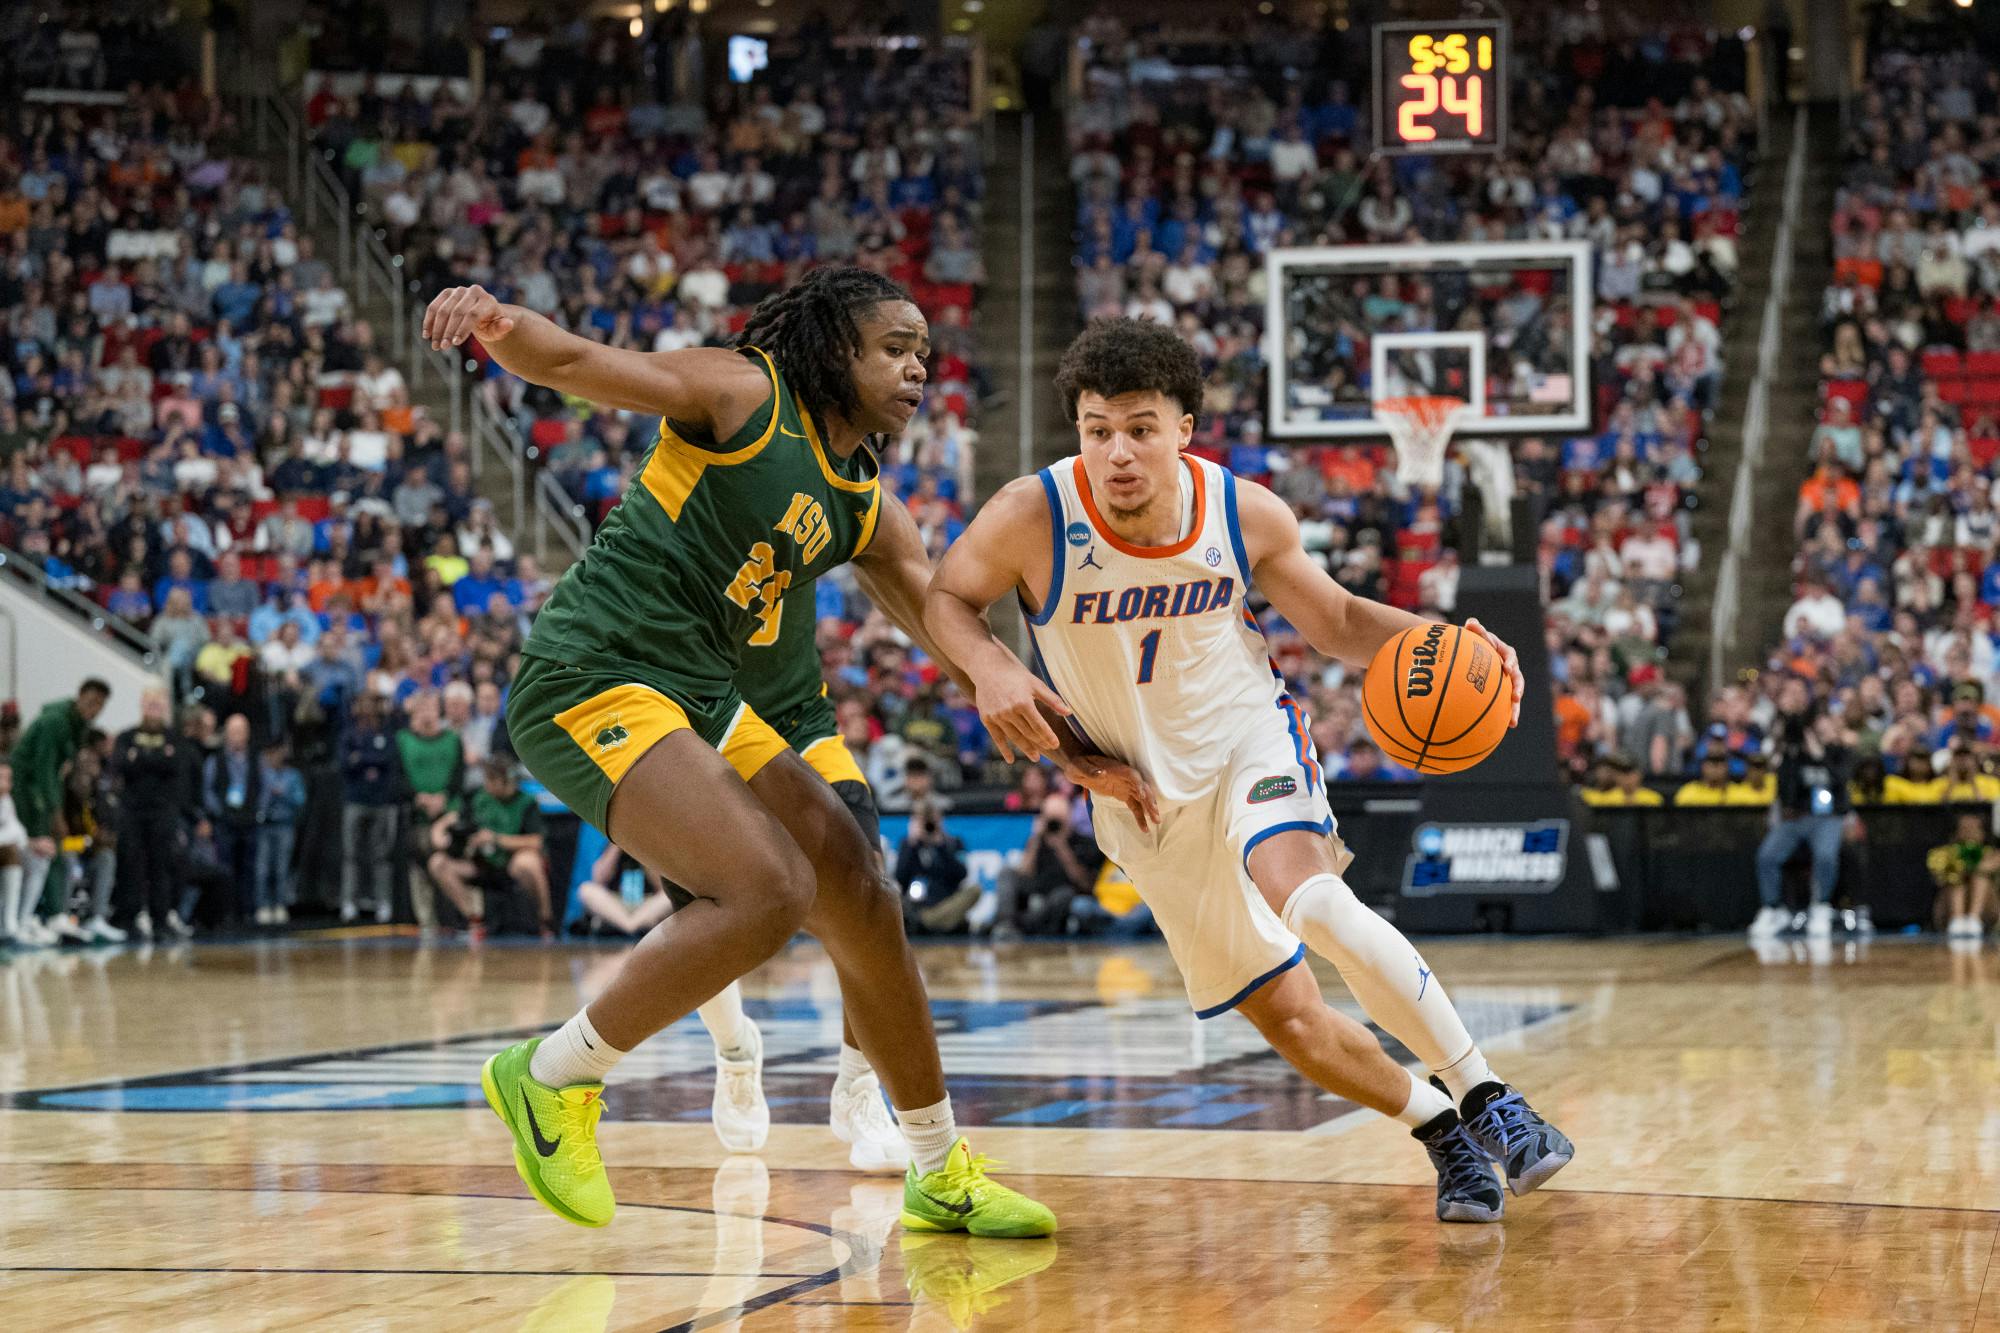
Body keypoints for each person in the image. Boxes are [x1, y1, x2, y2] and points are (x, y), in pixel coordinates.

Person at [423, 269, 1060, 1234]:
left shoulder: (865, 500)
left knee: (860, 881)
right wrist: (497, 324)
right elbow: (578, 362)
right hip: (596, 670)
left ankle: (937, 1164)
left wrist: (1036, 705)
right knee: (768, 891)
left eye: (924, 350)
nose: (917, 365)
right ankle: (551, 1077)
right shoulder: (746, 392)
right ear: (833, 349)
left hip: (707, 693)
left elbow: (943, 618)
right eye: (894, 346)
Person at [926, 317, 1573, 1224]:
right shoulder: (1031, 515)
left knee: (1311, 900)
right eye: (1097, 428)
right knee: (1294, 1020)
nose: (1117, 452)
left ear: (1185, 428)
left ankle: (1489, 1096)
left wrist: (1444, 640)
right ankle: (1441, 1129)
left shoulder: (1244, 512)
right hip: (1143, 797)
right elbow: (947, 597)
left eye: (1140, 427)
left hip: (1247, 744)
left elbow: (1340, 622)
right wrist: (994, 667)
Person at [574, 840, 773, 1153]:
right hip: (622, 903)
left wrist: (646, 852)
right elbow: (598, 877)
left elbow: (663, 883)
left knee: (691, 897)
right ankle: (736, 1047)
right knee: (588, 890)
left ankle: (858, 1077)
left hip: (652, 899)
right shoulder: (613, 839)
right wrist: (619, 844)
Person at [1747, 683, 1855, 941]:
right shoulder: (1793, 753)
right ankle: (1773, 908)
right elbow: (1784, 786)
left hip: (1827, 818)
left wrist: (1820, 755)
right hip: (1796, 818)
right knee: (1767, 856)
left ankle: (1821, 906)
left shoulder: (1839, 752)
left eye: (1826, 725)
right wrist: (1791, 752)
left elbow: (1840, 782)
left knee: (1826, 856)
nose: (1821, 729)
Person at [10, 679, 111, 944]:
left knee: (50, 852)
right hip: (27, 791)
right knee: (38, 850)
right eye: (91, 701)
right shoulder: (56, 722)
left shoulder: (78, 727)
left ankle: (45, 915)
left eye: (100, 705)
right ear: (79, 696)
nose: (94, 708)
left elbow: (59, 771)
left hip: (42, 790)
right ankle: (32, 918)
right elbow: (43, 770)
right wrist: (55, 812)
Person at [424, 761, 554, 939]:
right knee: (438, 863)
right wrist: (441, 831)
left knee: (528, 862)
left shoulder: (526, 802)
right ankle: (474, 920)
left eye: (490, 780)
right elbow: (456, 818)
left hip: (510, 864)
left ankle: (544, 921)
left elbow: (537, 841)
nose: (486, 784)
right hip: (481, 863)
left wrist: (497, 839)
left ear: (503, 781)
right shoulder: (479, 797)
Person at [112, 685, 199, 940]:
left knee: (162, 865)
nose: (154, 709)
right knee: (132, 865)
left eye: (158, 705)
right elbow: (121, 765)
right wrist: (157, 759)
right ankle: (131, 917)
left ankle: (160, 918)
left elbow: (174, 765)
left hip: (162, 812)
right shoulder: (126, 736)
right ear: (142, 705)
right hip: (132, 812)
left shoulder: (175, 738)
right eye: (150, 704)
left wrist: (140, 759)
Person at [990, 793, 1100, 941]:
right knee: (1007, 873)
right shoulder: (1038, 840)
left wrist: (1062, 847)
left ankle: (1023, 925)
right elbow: (1025, 871)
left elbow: (1084, 883)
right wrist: (1035, 838)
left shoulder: (1083, 842)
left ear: (1069, 817)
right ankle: (1006, 924)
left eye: (1058, 818)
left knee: (1064, 895)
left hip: (1064, 890)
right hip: (1039, 885)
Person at [340, 691, 405, 924]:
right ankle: (349, 902)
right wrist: (370, 759)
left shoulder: (385, 732)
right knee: (351, 854)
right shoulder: (349, 732)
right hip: (355, 799)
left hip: (380, 800)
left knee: (381, 855)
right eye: (362, 704)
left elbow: (388, 758)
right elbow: (345, 763)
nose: (367, 709)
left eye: (371, 705)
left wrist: (362, 758)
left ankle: (383, 902)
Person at [202, 714, 262, 925]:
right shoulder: (215, 760)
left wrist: (257, 811)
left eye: (242, 731)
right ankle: (228, 913)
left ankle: (248, 912)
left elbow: (262, 787)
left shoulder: (256, 759)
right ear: (226, 734)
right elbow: (207, 790)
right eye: (234, 731)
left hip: (249, 822)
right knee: (226, 869)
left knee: (249, 868)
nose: (238, 736)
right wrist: (220, 812)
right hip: (225, 823)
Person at [895, 798, 977, 933]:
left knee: (975, 890)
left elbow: (962, 874)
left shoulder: (954, 842)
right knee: (893, 895)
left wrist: (940, 846)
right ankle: (940, 922)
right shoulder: (908, 844)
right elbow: (900, 877)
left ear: (941, 820)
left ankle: (928, 922)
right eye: (923, 821)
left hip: (947, 901)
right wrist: (912, 844)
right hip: (918, 905)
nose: (928, 826)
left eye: (932, 820)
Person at [255, 741, 306, 926]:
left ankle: (280, 905)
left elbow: (300, 799)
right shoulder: (263, 774)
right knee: (263, 868)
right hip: (265, 824)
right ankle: (262, 905)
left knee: (282, 867)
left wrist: (284, 793)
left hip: (285, 825)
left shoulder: (292, 776)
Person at [1927, 812, 1997, 939]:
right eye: (1964, 829)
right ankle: (1957, 920)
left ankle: (1974, 920)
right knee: (1955, 877)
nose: (1969, 833)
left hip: (1988, 913)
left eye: (1973, 829)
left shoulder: (1993, 854)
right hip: (1947, 911)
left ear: (1983, 833)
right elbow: (1937, 879)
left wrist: (1978, 865)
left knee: (1980, 877)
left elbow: (1988, 868)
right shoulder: (1942, 853)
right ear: (1955, 832)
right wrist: (1958, 865)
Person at [0, 763, 24, 946]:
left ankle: (13, 923)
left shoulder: (6, 800)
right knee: (11, 851)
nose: (6, 783)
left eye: (9, 779)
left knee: (36, 855)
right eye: (2, 778)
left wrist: (33, 844)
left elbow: (18, 831)